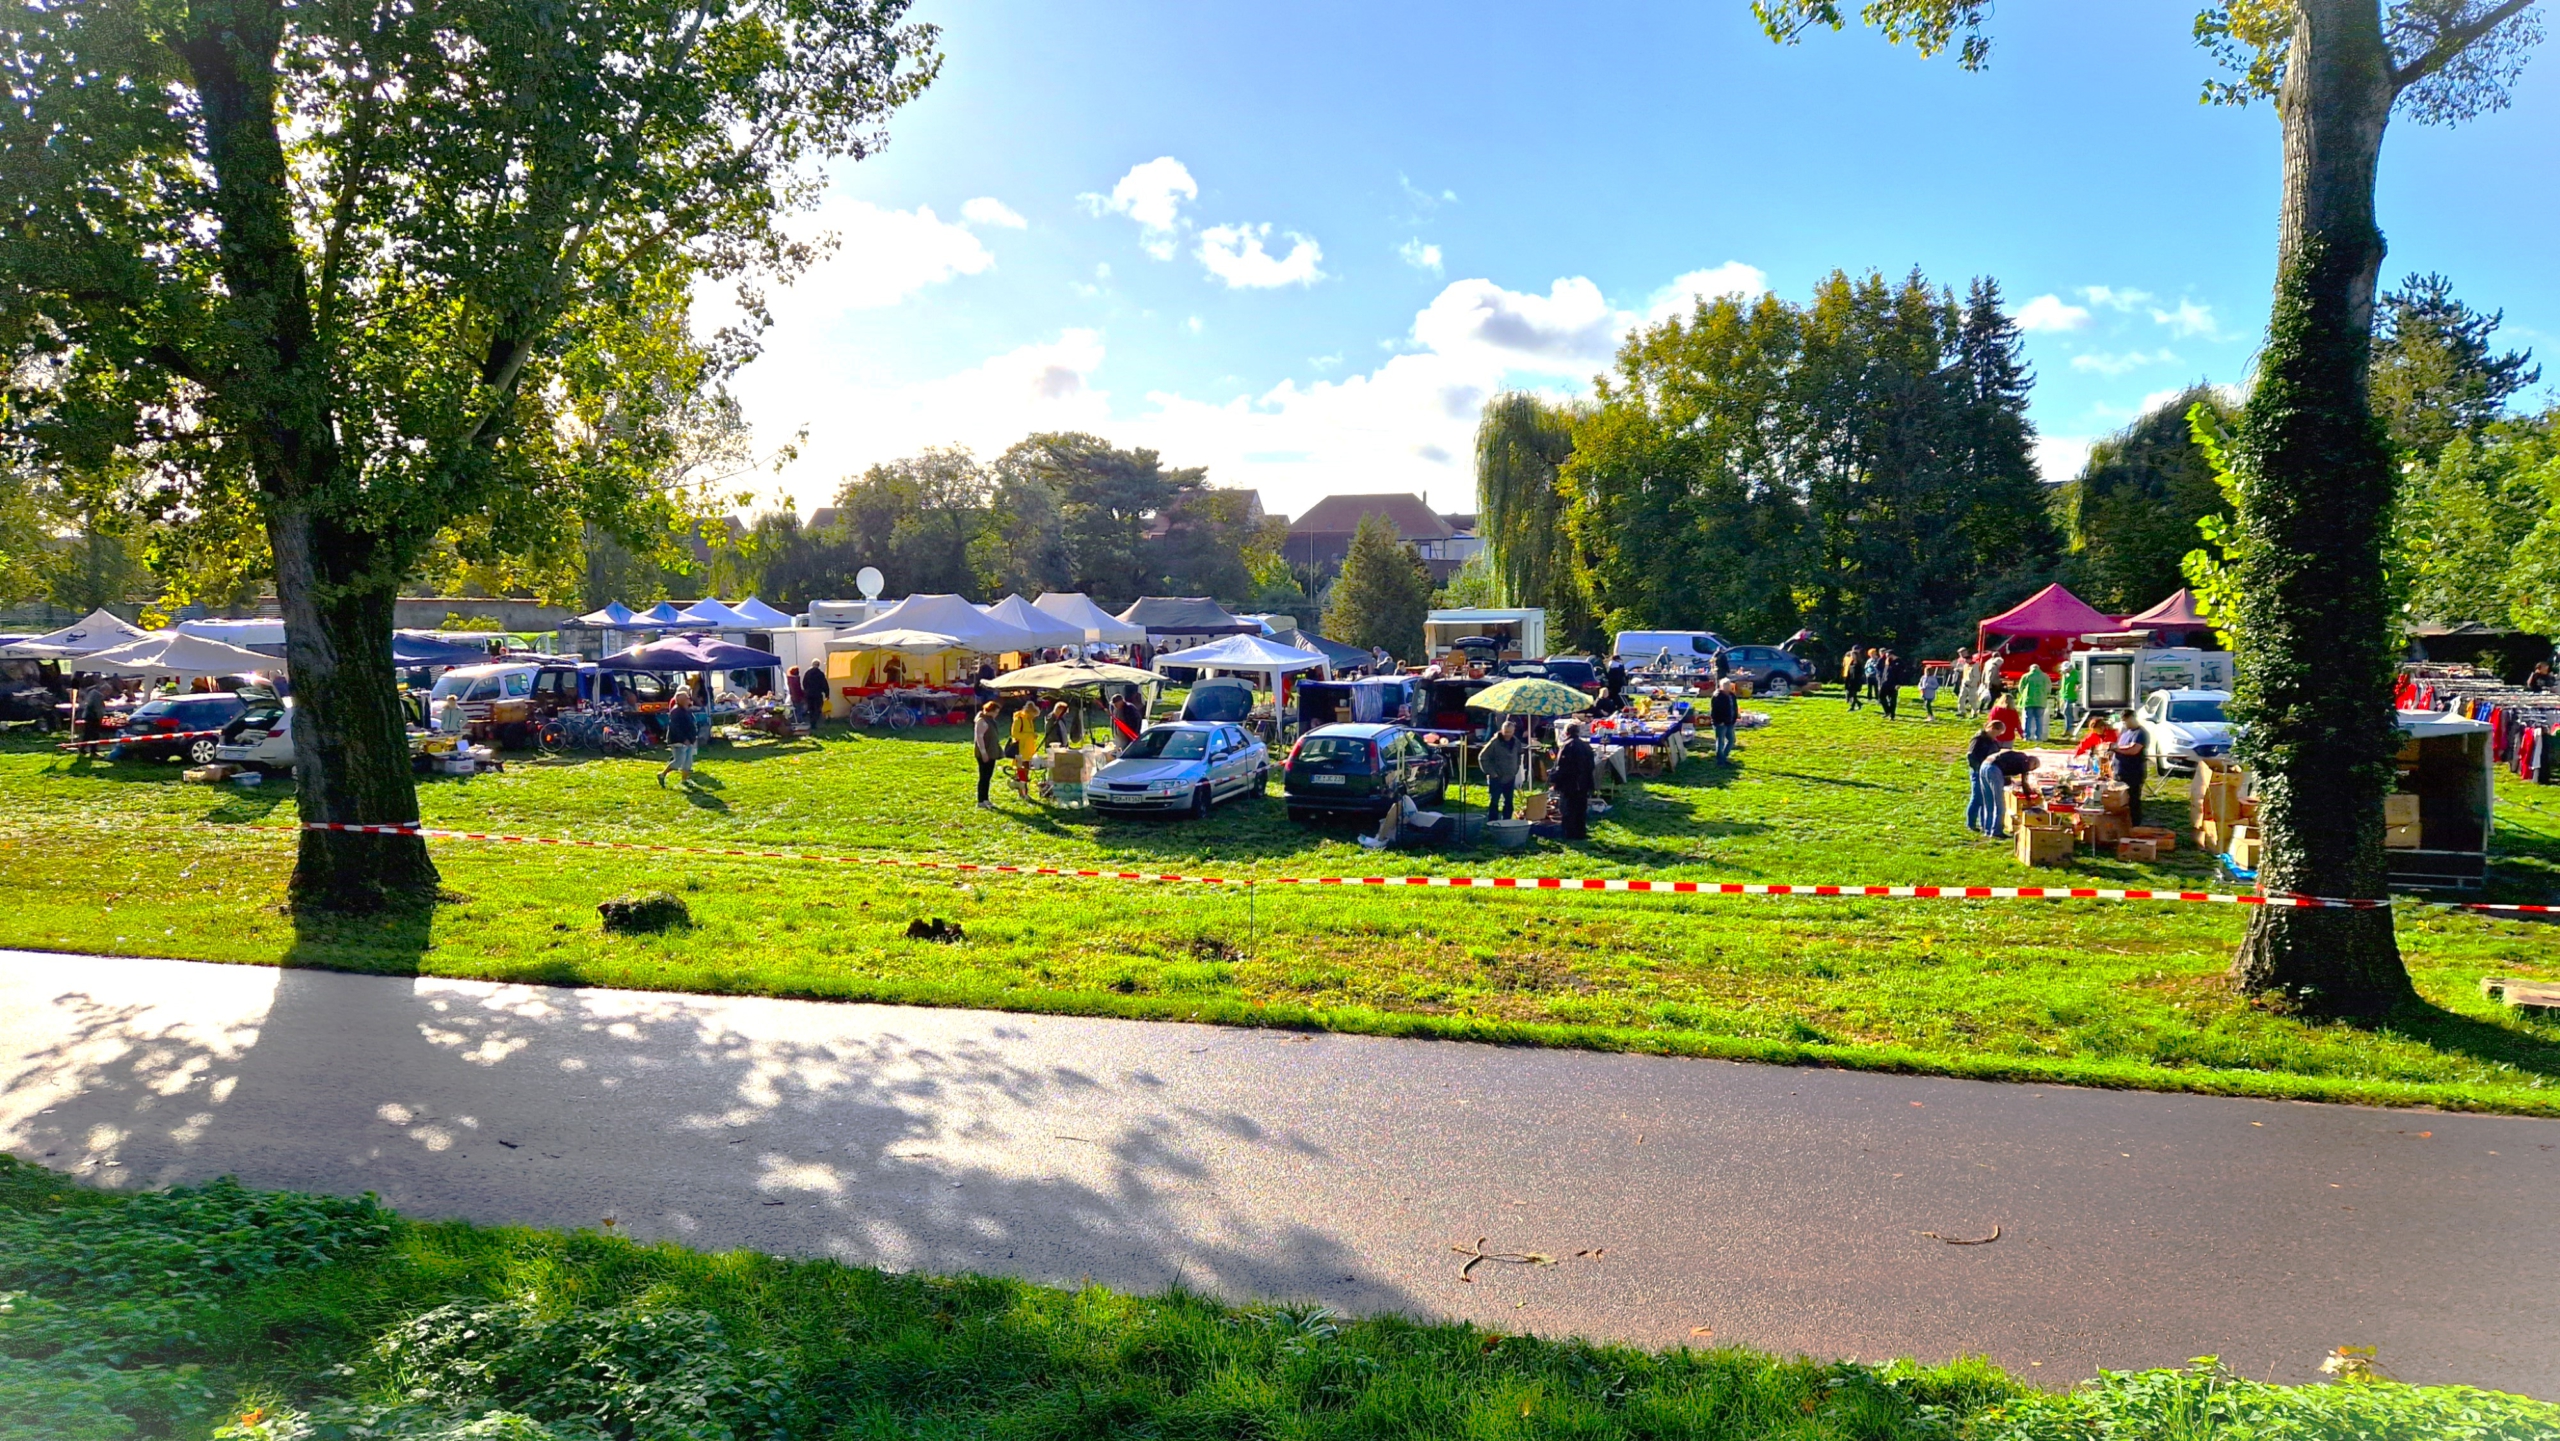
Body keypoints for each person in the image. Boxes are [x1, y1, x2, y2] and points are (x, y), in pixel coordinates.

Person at [1552, 721, 1596, 840]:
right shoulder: (1586, 746)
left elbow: (1562, 767)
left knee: (1568, 809)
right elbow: (1592, 765)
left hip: (1570, 784)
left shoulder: (1567, 746)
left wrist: (1554, 779)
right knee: (1581, 809)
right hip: (1584, 783)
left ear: (1566, 733)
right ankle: (1581, 833)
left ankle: (1569, 834)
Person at [1965, 723, 2009, 837]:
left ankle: (1984, 824)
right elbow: (1971, 755)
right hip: (1978, 771)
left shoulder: (1992, 741)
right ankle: (1971, 824)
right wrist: (1978, 769)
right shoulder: (1978, 739)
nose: (1997, 736)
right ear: (1992, 728)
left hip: (1987, 772)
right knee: (1977, 798)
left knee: (1985, 799)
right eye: (1998, 733)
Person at [1480, 720, 1524, 820]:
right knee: (1494, 802)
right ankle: (1492, 822)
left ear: (1513, 731)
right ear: (1502, 730)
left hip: (1510, 777)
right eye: (1505, 732)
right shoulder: (1494, 742)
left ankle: (1506, 822)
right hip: (1496, 778)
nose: (1507, 734)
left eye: (1509, 732)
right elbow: (1482, 757)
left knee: (1509, 802)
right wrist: (1492, 773)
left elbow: (1519, 755)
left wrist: (1516, 769)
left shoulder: (1516, 742)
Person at [657, 690, 700, 787]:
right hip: (678, 740)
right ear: (681, 700)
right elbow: (675, 727)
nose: (689, 700)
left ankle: (685, 780)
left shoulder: (686, 709)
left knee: (688, 761)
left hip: (689, 740)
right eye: (686, 699)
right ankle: (662, 774)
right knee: (678, 761)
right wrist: (684, 738)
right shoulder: (676, 711)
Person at [2110, 711, 2149, 817]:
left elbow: (2133, 750)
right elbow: (2120, 746)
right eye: (2123, 721)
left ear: (2132, 718)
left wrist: (2116, 749)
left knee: (2132, 800)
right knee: (2120, 800)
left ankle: (2134, 824)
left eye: (2126, 721)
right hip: (2120, 771)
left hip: (2132, 772)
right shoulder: (2125, 732)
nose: (2124, 724)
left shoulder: (2140, 733)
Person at [972, 699, 1003, 808]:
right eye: (995, 712)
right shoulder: (982, 721)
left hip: (991, 751)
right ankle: (981, 800)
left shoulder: (990, 720)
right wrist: (984, 753)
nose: (996, 714)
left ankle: (986, 799)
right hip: (985, 753)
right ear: (990, 711)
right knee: (984, 777)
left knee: (988, 777)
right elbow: (979, 738)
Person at [2016, 662, 2051, 742]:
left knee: (2028, 719)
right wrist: (2045, 695)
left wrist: (2024, 694)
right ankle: (2039, 737)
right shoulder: (2045, 676)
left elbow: (2021, 687)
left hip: (2028, 701)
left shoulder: (2026, 676)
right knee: (2039, 719)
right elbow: (2049, 688)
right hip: (2041, 701)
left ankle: (2027, 736)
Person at [1709, 678, 1740, 763]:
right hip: (1720, 723)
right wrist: (1719, 722)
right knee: (1720, 742)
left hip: (1730, 722)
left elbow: (1734, 707)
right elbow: (1714, 711)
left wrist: (1735, 717)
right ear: (1721, 686)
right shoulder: (1717, 696)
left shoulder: (1731, 695)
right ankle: (1720, 760)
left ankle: (1724, 756)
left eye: (1728, 685)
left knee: (1731, 740)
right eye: (1725, 685)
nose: (1728, 687)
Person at [74, 678, 109, 747]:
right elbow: (98, 709)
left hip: (89, 716)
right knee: (94, 734)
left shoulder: (93, 692)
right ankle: (92, 750)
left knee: (87, 734)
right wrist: (101, 717)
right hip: (93, 717)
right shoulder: (98, 696)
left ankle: (83, 749)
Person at [1874, 650, 1900, 720]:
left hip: (1894, 683)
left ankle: (1892, 715)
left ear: (1892, 655)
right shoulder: (1887, 661)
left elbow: (1901, 674)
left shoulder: (1899, 662)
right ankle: (1887, 711)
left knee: (1892, 700)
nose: (1887, 657)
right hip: (1885, 682)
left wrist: (1898, 683)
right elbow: (1885, 672)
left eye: (1888, 655)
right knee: (1881, 696)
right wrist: (1881, 682)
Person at [2058, 660, 2082, 733]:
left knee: (2067, 712)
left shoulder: (2076, 674)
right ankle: (2068, 728)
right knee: (2065, 712)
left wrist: (2078, 687)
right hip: (2064, 695)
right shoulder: (2065, 674)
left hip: (2071, 696)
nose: (2065, 671)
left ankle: (2069, 729)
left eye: (2066, 669)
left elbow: (2078, 683)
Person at [1842, 645, 1865, 711]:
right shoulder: (1851, 662)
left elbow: (1860, 673)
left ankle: (1852, 707)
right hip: (1850, 680)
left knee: (1853, 694)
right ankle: (1858, 703)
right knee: (1851, 694)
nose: (1851, 656)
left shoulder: (1859, 663)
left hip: (1856, 681)